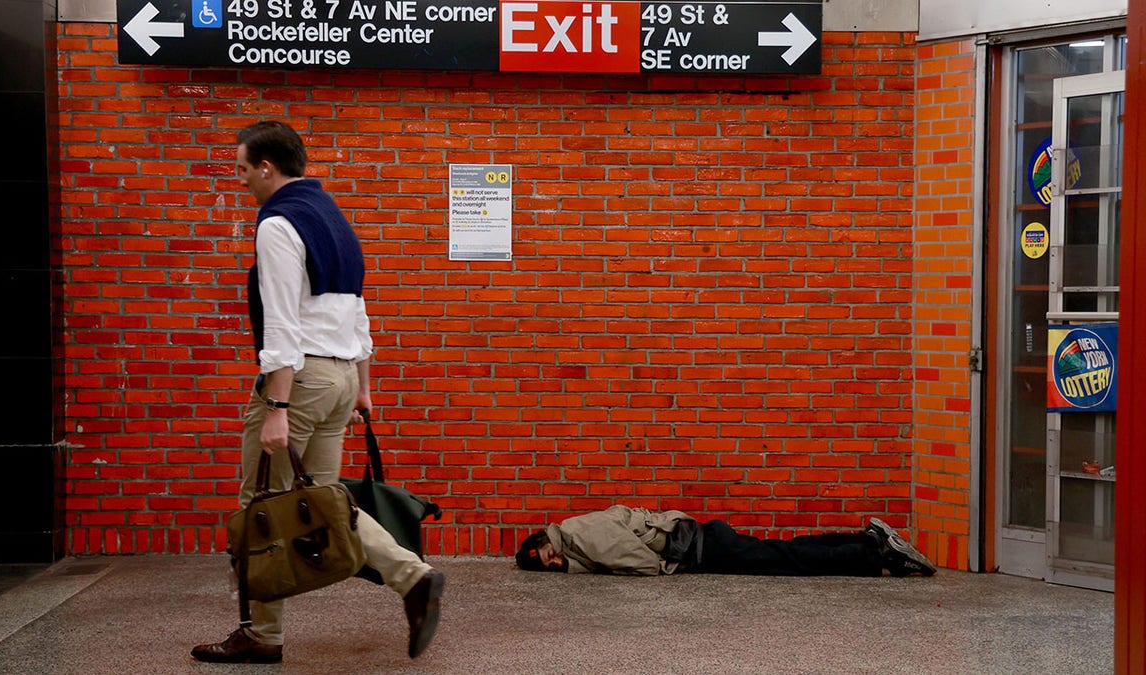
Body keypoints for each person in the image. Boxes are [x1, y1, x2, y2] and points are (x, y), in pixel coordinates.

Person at [192, 121, 444, 664]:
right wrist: (363, 388)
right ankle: (414, 576)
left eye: (242, 170)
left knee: (261, 504)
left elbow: (282, 324)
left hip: (300, 383)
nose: (240, 182)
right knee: (325, 503)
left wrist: (277, 406)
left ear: (267, 167)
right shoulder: (333, 218)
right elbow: (357, 312)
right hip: (340, 378)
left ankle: (261, 636)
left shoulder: (278, 223)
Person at [514, 505, 935, 578]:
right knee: (782, 550)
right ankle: (866, 540)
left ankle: (874, 557)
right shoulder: (573, 534)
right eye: (550, 564)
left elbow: (639, 563)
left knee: (787, 559)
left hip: (699, 548)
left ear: (547, 540)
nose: (555, 563)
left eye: (550, 557)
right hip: (702, 539)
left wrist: (665, 569)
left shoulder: (578, 535)